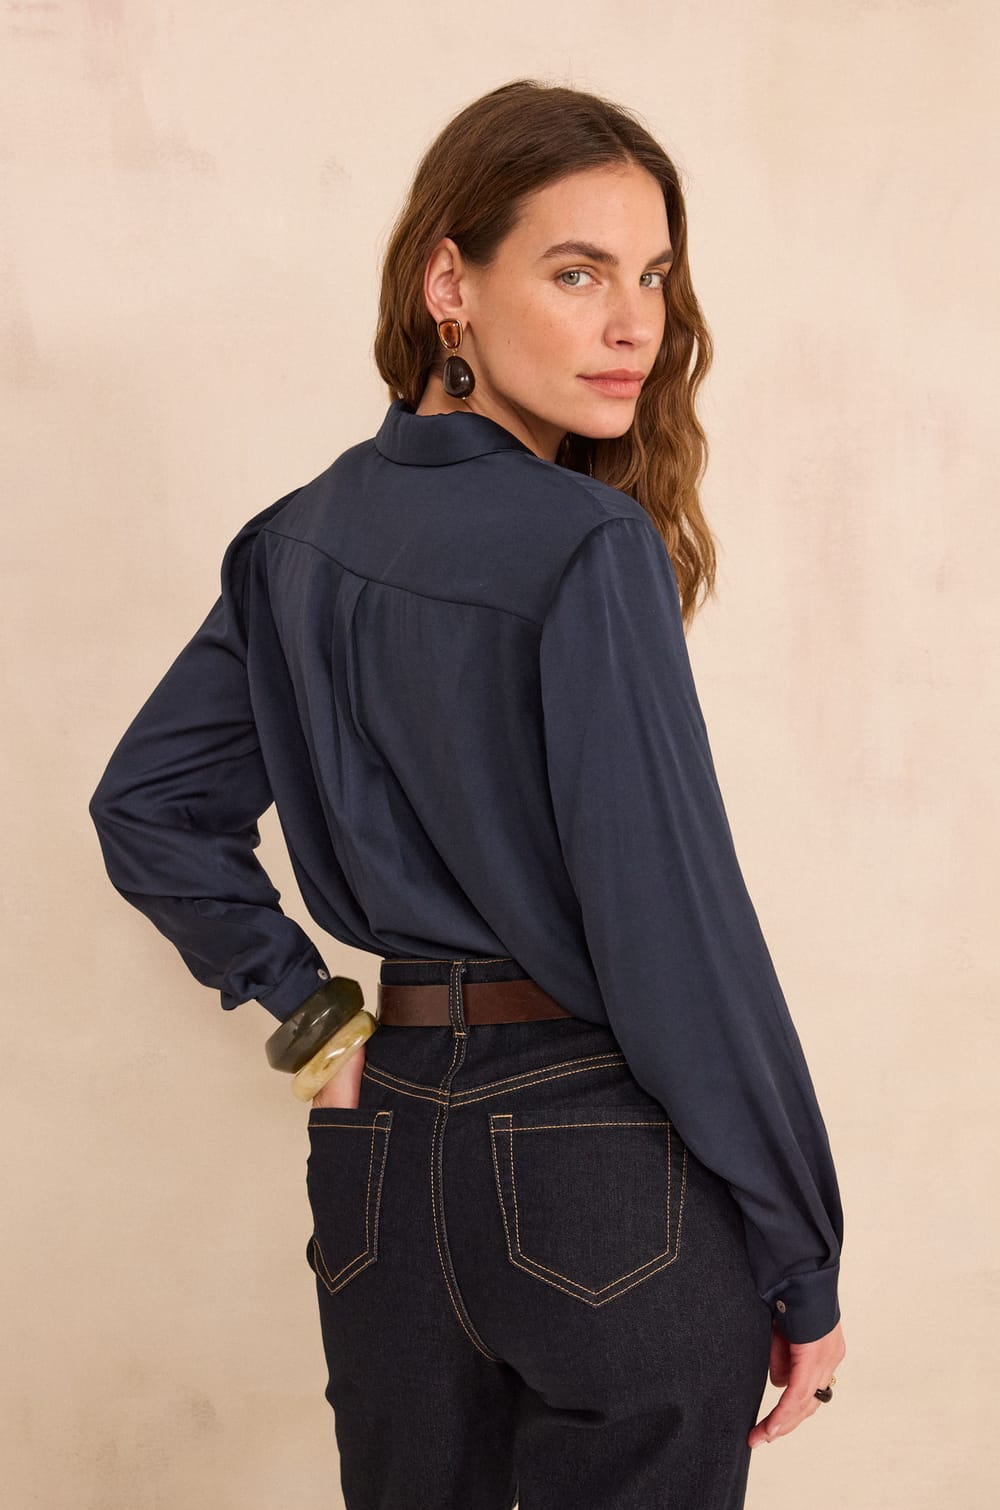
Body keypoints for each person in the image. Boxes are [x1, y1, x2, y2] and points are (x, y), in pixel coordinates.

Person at [88, 78, 846, 1510]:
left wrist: (316, 1016)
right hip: (598, 1163)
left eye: (654, 278)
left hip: (381, 1156)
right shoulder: (589, 545)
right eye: (578, 273)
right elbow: (677, 942)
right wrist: (802, 1249)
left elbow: (147, 803)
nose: (635, 326)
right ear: (452, 285)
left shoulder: (290, 543)